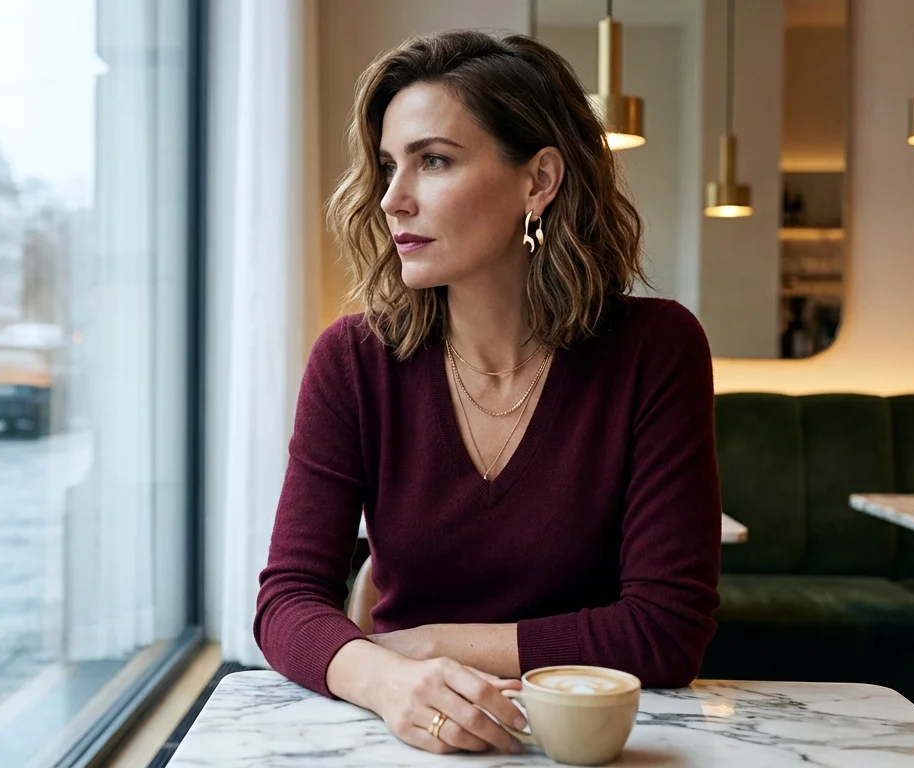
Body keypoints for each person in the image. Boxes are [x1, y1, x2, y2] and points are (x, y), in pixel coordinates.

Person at [254, 30, 721, 756]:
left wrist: (429, 644)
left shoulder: (656, 349)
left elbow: (666, 630)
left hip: (595, 744)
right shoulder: (351, 362)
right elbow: (286, 604)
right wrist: (385, 680)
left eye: (433, 161)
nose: (392, 199)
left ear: (538, 181)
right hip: (405, 734)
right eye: (387, 167)